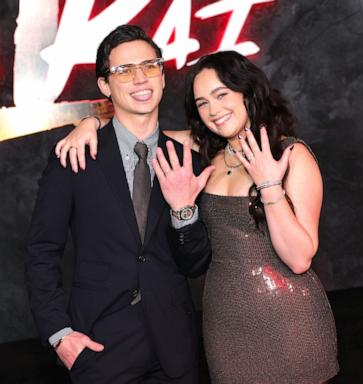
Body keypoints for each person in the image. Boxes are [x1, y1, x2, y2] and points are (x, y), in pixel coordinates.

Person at [56, 51, 339, 383]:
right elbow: (134, 130)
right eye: (203, 103)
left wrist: (269, 184)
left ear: (247, 92)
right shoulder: (206, 153)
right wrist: (89, 123)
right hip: (225, 329)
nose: (214, 111)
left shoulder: (290, 154)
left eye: (222, 95)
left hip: (290, 325)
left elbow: (299, 258)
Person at [26, 24, 214, 384]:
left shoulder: (189, 161)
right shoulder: (75, 153)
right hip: (98, 348)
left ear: (162, 75)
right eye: (124, 70)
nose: (139, 78)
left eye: (149, 66)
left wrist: (183, 212)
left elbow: (195, 264)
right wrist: (58, 334)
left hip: (175, 351)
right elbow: (42, 250)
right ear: (104, 85)